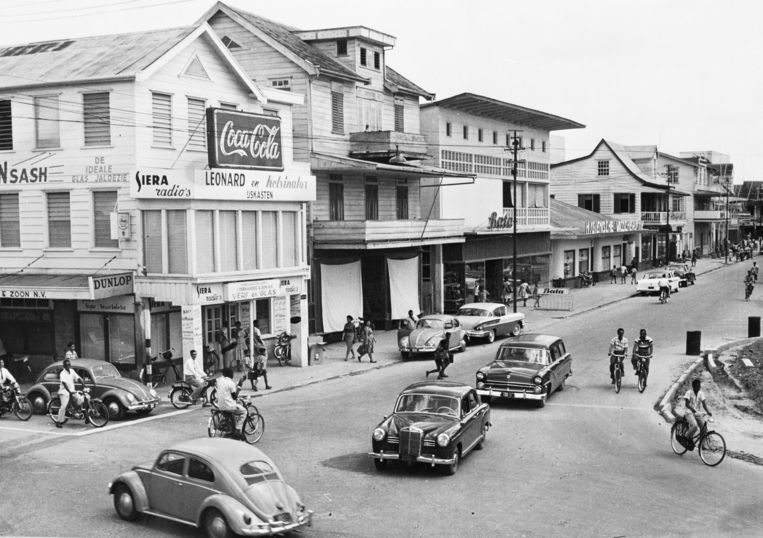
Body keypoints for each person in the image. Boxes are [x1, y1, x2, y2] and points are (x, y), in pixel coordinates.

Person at [216, 367, 245, 439]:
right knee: (244, 412)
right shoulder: (231, 383)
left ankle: (232, 428)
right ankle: (238, 430)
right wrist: (239, 388)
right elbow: (235, 397)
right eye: (232, 373)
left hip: (220, 405)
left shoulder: (219, 381)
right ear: (230, 374)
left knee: (232, 412)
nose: (233, 374)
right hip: (229, 406)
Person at [682, 378, 712, 444]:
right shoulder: (689, 392)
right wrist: (692, 409)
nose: (698, 388)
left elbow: (704, 404)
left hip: (697, 413)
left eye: (699, 386)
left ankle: (701, 445)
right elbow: (687, 404)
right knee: (694, 426)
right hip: (689, 412)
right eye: (697, 386)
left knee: (704, 428)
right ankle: (686, 437)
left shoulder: (701, 393)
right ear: (693, 386)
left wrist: (708, 411)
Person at [56, 359, 83, 428]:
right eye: (66, 365)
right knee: (63, 406)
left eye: (69, 364)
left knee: (81, 399)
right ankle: (58, 421)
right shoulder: (62, 373)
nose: (68, 366)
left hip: (72, 390)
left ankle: (85, 416)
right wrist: (69, 391)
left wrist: (83, 384)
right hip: (64, 391)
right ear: (64, 366)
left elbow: (78, 378)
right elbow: (64, 384)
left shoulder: (72, 371)